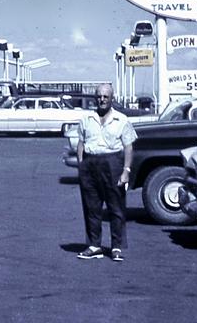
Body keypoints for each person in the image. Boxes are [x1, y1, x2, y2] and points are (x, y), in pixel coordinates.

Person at [76, 83, 137, 262]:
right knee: (91, 207)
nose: (102, 100)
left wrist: (126, 170)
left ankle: (116, 247)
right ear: (95, 98)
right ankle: (94, 245)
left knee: (115, 207)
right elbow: (81, 143)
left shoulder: (122, 120)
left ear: (112, 99)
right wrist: (81, 165)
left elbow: (128, 147)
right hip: (90, 164)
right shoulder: (87, 119)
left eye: (106, 97)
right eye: (99, 97)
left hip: (113, 164)